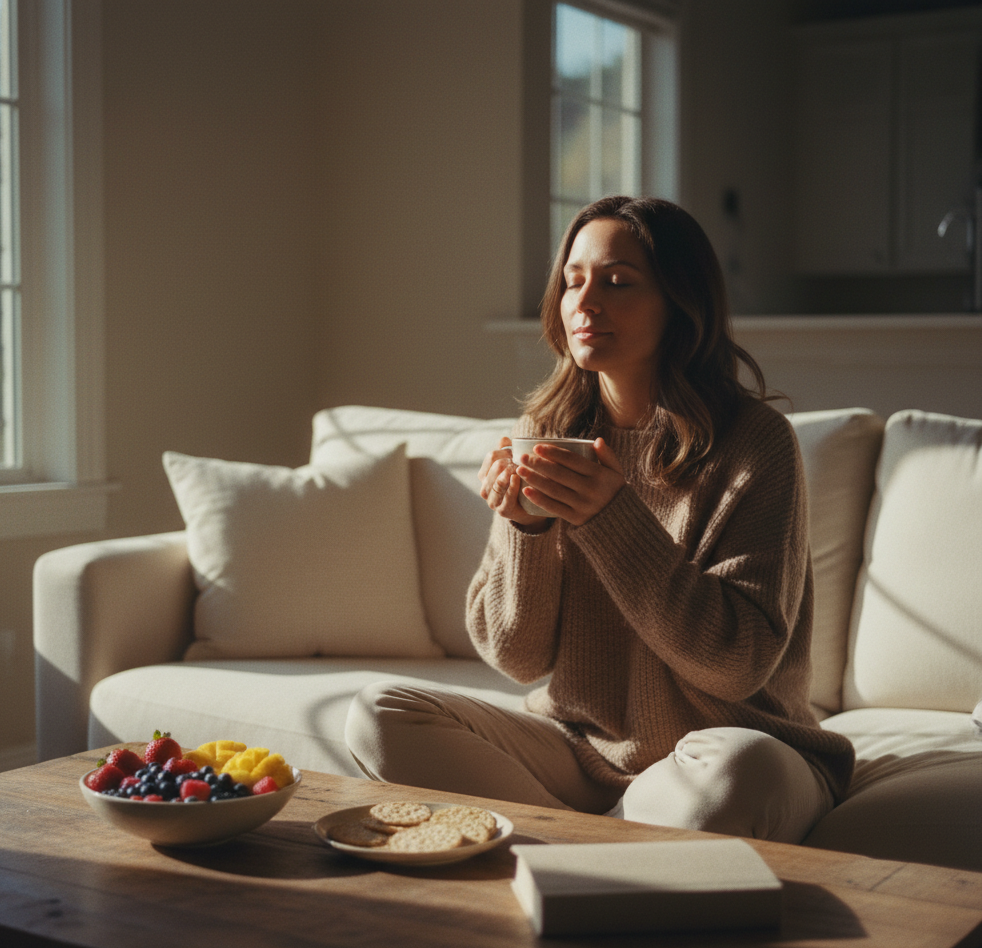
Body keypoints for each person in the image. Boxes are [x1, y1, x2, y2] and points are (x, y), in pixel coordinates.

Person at [345, 196, 855, 842]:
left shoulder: (756, 444)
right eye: (573, 281)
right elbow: (518, 656)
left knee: (740, 776)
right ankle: (608, 843)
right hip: (578, 751)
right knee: (378, 714)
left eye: (617, 283)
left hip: (719, 748)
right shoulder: (548, 434)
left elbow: (736, 665)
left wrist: (612, 517)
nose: (584, 303)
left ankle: (561, 839)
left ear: (680, 303)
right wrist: (526, 531)